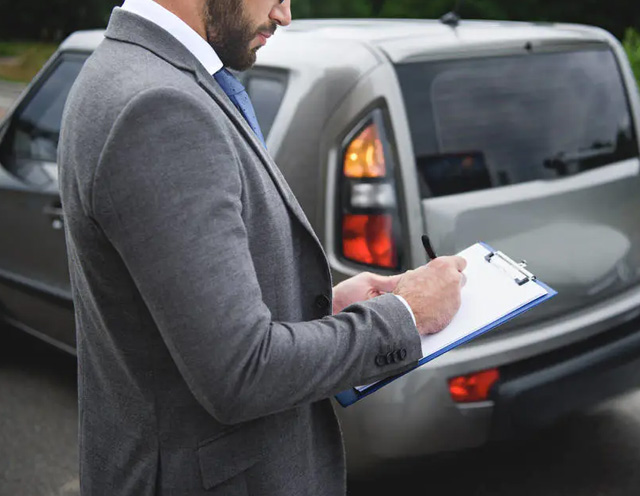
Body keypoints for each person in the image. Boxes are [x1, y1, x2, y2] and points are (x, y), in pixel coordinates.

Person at [57, 0, 466, 494]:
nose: (285, 13)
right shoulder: (159, 105)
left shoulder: (129, 69)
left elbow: (176, 318)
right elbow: (241, 374)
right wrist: (407, 316)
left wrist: (324, 307)